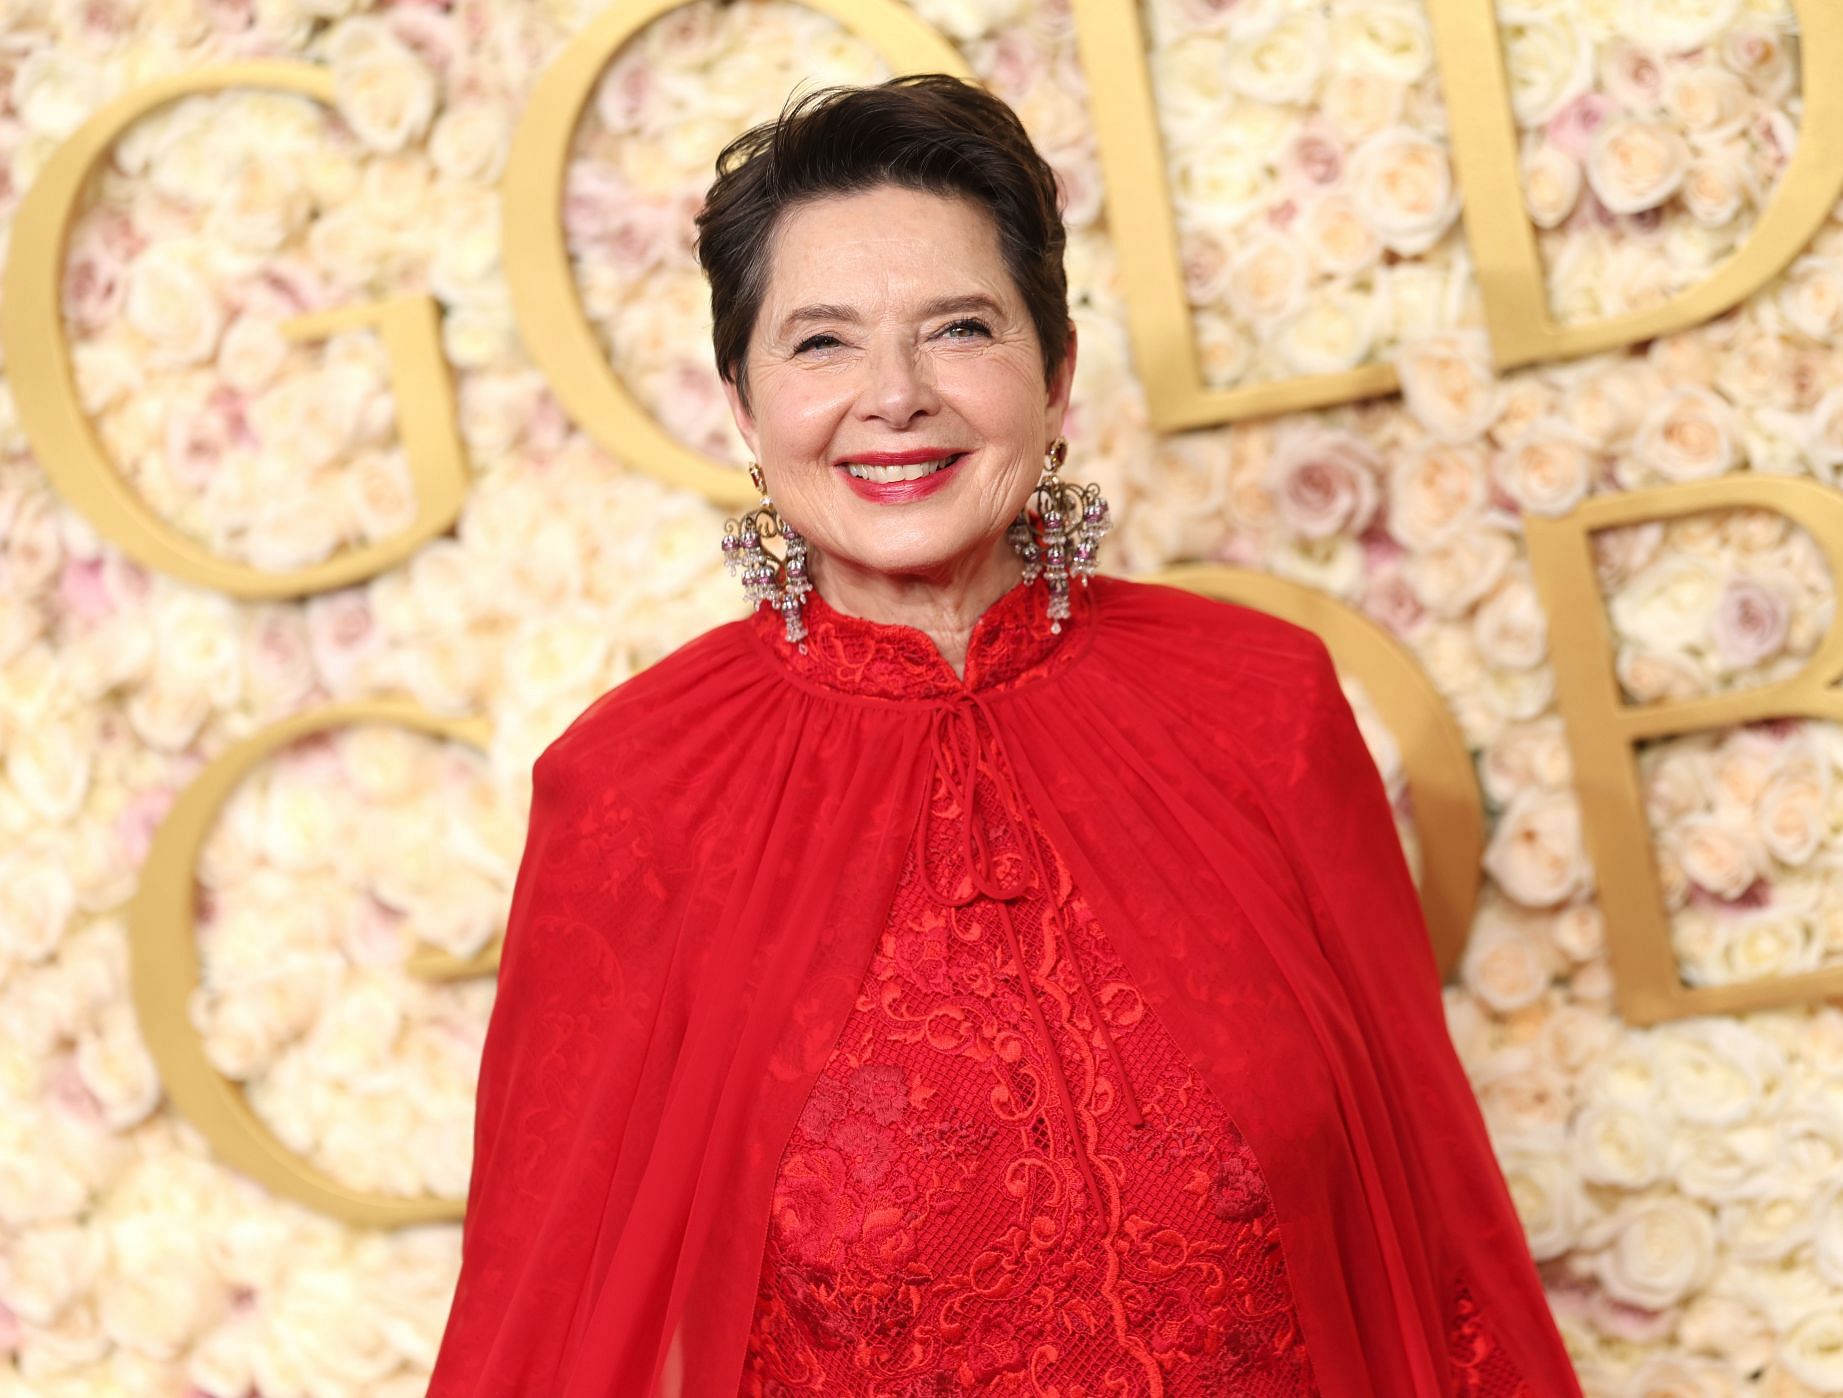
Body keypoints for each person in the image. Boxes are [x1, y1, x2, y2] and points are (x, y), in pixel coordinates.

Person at [424, 75, 1580, 1397]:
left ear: (1058, 371)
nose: (897, 396)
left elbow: (1436, 1236)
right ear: (743, 407)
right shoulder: (640, 791)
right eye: (822, 344)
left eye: (959, 328)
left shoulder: (1259, 705)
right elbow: (548, 1315)